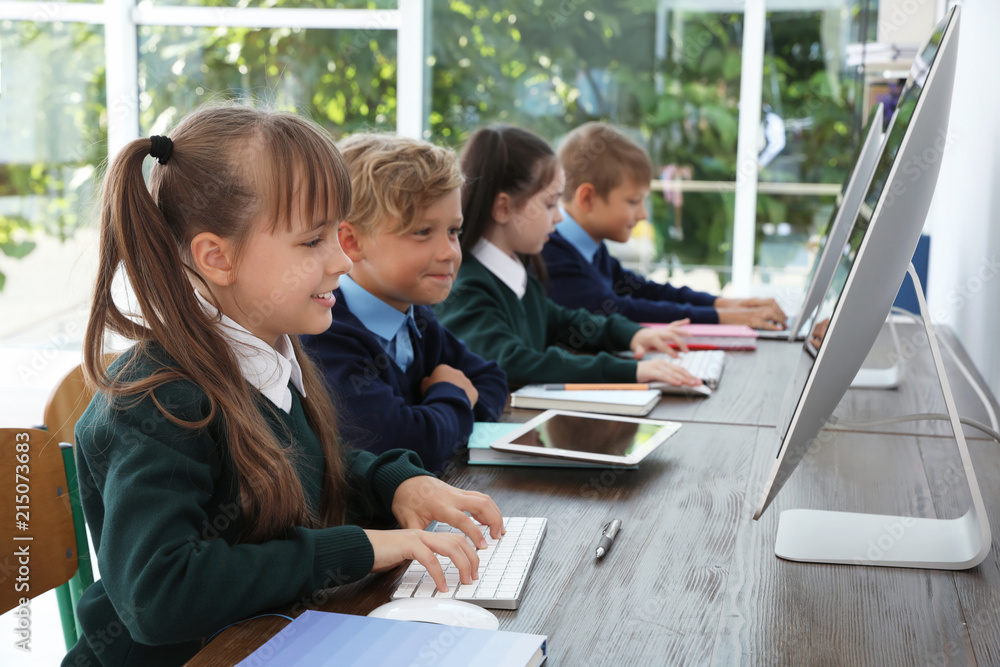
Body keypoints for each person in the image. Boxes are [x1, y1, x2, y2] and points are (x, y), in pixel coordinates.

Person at [67, 105, 503, 667]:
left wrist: (397, 484)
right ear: (216, 257)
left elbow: (306, 464)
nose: (344, 260)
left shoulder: (267, 354)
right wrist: (361, 548)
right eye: (313, 241)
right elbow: (158, 594)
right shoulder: (160, 398)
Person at [301, 134, 508, 474]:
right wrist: (451, 393)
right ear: (351, 242)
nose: (450, 252)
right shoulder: (326, 334)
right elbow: (408, 447)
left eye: (454, 231)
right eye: (423, 232)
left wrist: (438, 416)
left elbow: (491, 379)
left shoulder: (418, 319)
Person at [434, 125, 702, 388]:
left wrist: (633, 334)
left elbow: (562, 320)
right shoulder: (467, 287)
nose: (559, 217)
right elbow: (512, 361)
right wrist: (631, 371)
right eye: (550, 204)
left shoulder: (517, 274)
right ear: (503, 208)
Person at [541, 121, 788, 330]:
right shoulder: (552, 257)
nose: (643, 214)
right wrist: (724, 318)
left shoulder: (590, 250)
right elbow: (618, 311)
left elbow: (644, 291)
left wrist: (723, 304)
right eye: (633, 201)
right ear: (587, 198)